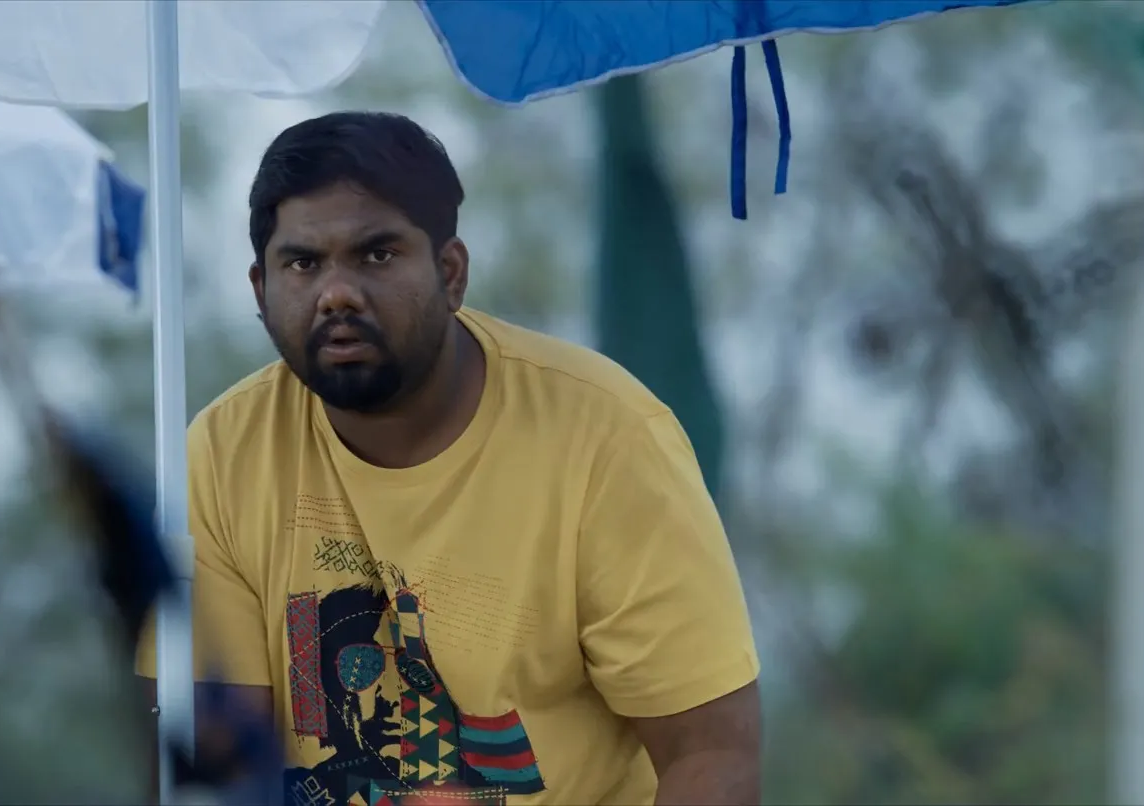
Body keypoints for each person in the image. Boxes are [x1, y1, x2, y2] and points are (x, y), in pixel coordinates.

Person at [138, 110, 759, 806]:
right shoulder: (220, 457)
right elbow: (223, 764)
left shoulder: (606, 439)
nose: (336, 293)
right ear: (261, 291)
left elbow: (712, 756)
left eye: (376, 254)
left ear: (451, 272)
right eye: (303, 263)